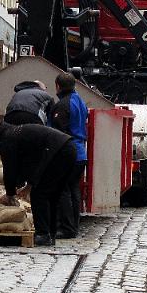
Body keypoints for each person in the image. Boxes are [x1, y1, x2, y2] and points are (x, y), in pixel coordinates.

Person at [0, 121, 76, 246]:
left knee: (39, 194)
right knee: (52, 196)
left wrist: (10, 194)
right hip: (68, 149)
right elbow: (31, 164)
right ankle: (50, 233)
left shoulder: (8, 140)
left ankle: (43, 234)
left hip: (58, 153)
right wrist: (28, 185)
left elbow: (10, 168)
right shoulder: (16, 134)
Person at [50, 72, 89, 239]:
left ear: (58, 86)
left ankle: (67, 228)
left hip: (68, 152)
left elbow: (58, 132)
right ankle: (74, 225)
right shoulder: (79, 101)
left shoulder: (62, 105)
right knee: (73, 189)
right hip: (81, 152)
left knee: (63, 189)